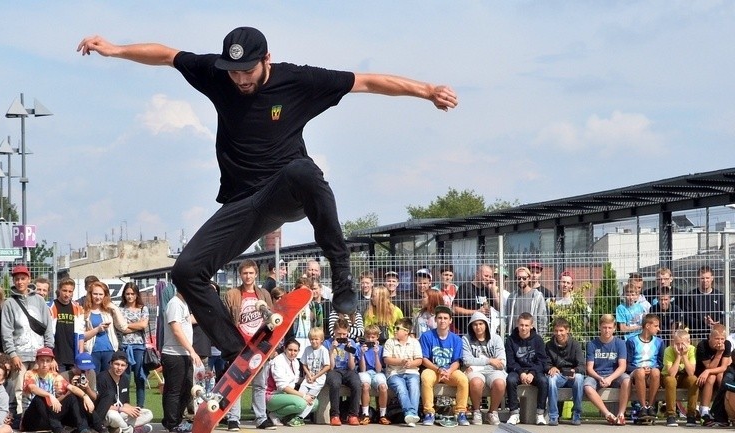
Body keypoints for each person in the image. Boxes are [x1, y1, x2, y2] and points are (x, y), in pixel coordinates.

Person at [79, 26, 458, 364]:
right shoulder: (217, 74)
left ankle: (341, 273)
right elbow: (166, 55)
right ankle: (235, 350)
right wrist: (115, 49)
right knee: (186, 271)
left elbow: (367, 82)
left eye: (248, 71)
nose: (241, 79)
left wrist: (426, 91)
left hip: (284, 193)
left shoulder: (299, 80)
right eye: (235, 72)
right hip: (241, 204)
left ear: (267, 60)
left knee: (303, 168)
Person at [223, 259, 274, 432]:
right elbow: (226, 320)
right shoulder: (232, 294)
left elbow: (272, 319)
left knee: (260, 384)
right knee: (237, 384)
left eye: (251, 273)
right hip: (240, 346)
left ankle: (261, 418)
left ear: (256, 274)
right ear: (240, 275)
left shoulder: (264, 294)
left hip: (260, 345)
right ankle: (233, 419)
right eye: (245, 273)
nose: (248, 276)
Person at [1, 264, 54, 418]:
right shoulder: (9, 303)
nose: (20, 282)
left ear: (28, 279)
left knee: (41, 387)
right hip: (20, 354)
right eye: (17, 279)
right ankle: (21, 419)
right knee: (19, 388)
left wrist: (49, 351)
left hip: (39, 353)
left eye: (23, 278)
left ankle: (43, 418)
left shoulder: (39, 300)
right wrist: (12, 354)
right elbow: (6, 331)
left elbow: (48, 326)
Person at [21, 347, 92, 433]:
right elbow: (32, 388)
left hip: (48, 419)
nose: (45, 364)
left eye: (47, 361)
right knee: (39, 398)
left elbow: (71, 387)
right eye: (42, 360)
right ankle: (60, 432)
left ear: (51, 362)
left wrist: (85, 396)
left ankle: (83, 429)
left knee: (71, 397)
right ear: (37, 361)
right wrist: (49, 395)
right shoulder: (30, 373)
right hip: (31, 419)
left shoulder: (54, 375)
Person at [419, 305, 469, 427]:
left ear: (450, 320)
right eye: (440, 318)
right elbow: (424, 359)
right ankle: (429, 413)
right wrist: (439, 369)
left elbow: (457, 361)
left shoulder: (456, 339)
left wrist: (448, 371)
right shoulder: (427, 336)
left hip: (450, 371)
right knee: (426, 378)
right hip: (433, 369)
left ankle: (461, 412)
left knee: (463, 380)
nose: (442, 320)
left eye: (445, 318)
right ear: (435, 320)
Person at [161, 290, 202, 433]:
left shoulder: (183, 304)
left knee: (186, 390)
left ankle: (172, 421)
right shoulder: (175, 304)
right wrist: (192, 351)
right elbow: (177, 330)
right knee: (175, 391)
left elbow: (187, 321)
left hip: (183, 353)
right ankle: (173, 423)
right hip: (174, 353)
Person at [584, 314, 631, 425]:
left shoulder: (620, 343)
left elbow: (622, 366)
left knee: (627, 380)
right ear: (600, 327)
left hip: (614, 375)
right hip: (597, 375)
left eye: (610, 328)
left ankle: (621, 414)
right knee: (587, 386)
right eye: (604, 327)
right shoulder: (592, 344)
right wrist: (599, 378)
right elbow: (589, 368)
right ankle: (608, 414)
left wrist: (610, 378)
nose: (607, 330)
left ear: (614, 328)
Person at [461, 311, 506, 426]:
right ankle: (476, 411)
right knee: (476, 382)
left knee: (500, 383)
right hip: (476, 372)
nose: (478, 327)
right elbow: (466, 360)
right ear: (471, 326)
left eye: (481, 324)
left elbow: (501, 363)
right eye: (475, 324)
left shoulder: (496, 339)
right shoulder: (466, 339)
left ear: (486, 324)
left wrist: (476, 364)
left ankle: (492, 412)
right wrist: (490, 360)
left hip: (493, 371)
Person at [93, 351, 154, 433]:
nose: (119, 368)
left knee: (148, 413)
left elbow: (125, 403)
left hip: (120, 413)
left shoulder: (124, 379)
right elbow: (100, 406)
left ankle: (116, 429)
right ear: (110, 364)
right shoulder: (102, 378)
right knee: (114, 416)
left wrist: (132, 409)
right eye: (117, 364)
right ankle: (130, 430)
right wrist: (121, 409)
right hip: (107, 414)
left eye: (123, 365)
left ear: (126, 366)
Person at [505, 313, 549, 425]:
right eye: (521, 325)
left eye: (526, 325)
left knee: (544, 381)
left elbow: (542, 361)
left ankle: (540, 414)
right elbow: (510, 362)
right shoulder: (510, 340)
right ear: (517, 325)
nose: (523, 328)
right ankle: (514, 413)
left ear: (531, 326)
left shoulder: (538, 340)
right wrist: (521, 373)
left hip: (534, 371)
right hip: (517, 370)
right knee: (510, 380)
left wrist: (532, 373)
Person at [265, 340, 317, 427]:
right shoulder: (278, 361)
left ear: (298, 351)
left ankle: (288, 418)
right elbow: (283, 387)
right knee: (302, 403)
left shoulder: (295, 362)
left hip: (287, 395)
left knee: (314, 403)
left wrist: (308, 378)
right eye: (290, 350)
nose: (292, 353)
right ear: (285, 349)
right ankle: (274, 415)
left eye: (295, 351)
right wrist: (303, 396)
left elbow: (295, 381)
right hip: (272, 395)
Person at [545, 317, 586, 426]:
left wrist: (574, 370)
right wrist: (551, 368)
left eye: (561, 330)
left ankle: (576, 414)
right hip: (559, 375)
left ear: (567, 330)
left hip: (572, 375)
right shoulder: (549, 345)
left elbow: (582, 366)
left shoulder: (575, 345)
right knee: (551, 379)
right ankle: (553, 416)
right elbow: (546, 364)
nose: (559, 334)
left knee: (579, 378)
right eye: (556, 331)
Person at [383, 318, 423, 426]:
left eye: (397, 328)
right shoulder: (390, 342)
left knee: (414, 387)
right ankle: (411, 413)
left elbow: (419, 360)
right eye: (393, 328)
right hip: (394, 373)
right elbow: (386, 359)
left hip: (412, 372)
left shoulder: (415, 343)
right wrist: (401, 361)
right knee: (401, 388)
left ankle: (411, 415)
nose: (394, 330)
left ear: (406, 331)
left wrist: (411, 364)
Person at [82, 280, 128, 374]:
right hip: (92, 351)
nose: (98, 297)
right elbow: (82, 336)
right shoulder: (85, 312)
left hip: (109, 350)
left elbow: (123, 327)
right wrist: (97, 329)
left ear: (105, 295)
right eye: (95, 294)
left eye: (100, 294)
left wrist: (114, 308)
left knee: (107, 382)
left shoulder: (110, 310)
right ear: (90, 294)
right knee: (93, 382)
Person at [626, 313, 664, 421]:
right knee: (640, 373)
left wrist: (652, 369)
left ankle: (651, 406)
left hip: (652, 373)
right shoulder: (632, 341)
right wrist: (640, 369)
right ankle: (642, 407)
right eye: (656, 326)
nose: (659, 329)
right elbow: (627, 364)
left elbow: (661, 364)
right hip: (636, 373)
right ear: (647, 326)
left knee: (656, 372)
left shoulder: (659, 342)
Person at [323, 318, 362, 425]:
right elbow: (331, 367)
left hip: (347, 370)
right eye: (339, 334)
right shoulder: (327, 343)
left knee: (356, 383)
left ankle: (353, 415)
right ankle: (335, 415)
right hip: (334, 370)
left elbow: (352, 367)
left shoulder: (352, 343)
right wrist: (331, 350)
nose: (342, 336)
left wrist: (349, 351)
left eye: (344, 334)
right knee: (335, 383)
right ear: (334, 332)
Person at [118, 282, 150, 408]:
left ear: (136, 295)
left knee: (139, 377)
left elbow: (143, 325)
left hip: (139, 347)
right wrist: (135, 325)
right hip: (124, 346)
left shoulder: (143, 308)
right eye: (127, 294)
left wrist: (127, 325)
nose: (130, 296)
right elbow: (120, 328)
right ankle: (125, 405)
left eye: (132, 294)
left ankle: (140, 406)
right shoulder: (119, 309)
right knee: (124, 378)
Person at [695, 324, 732, 426]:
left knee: (721, 376)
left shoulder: (727, 344)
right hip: (702, 375)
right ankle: (704, 412)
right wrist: (719, 353)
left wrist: (708, 371)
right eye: (716, 339)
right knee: (711, 377)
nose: (720, 342)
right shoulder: (702, 345)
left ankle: (722, 412)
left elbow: (724, 367)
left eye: (722, 339)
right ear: (710, 337)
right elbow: (709, 367)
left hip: (717, 373)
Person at [661, 328, 698, 427]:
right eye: (677, 343)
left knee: (693, 379)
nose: (680, 346)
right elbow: (671, 374)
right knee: (670, 380)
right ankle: (671, 415)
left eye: (682, 343)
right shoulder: (668, 350)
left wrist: (684, 356)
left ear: (688, 342)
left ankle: (691, 414)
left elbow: (691, 372)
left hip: (685, 376)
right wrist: (678, 357)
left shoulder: (692, 349)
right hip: (670, 377)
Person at [48, 277, 85, 373]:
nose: (67, 294)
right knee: (58, 386)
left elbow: (81, 334)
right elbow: (47, 334)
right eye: (64, 290)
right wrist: (50, 356)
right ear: (59, 290)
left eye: (70, 291)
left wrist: (80, 355)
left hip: (73, 356)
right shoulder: (50, 306)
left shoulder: (77, 308)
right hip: (57, 355)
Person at [294, 327, 330, 425]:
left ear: (321, 340)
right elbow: (304, 364)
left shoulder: (323, 350)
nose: (313, 341)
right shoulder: (307, 349)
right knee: (300, 396)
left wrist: (315, 377)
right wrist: (308, 374)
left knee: (310, 398)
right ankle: (294, 414)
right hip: (308, 378)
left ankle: (300, 416)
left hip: (318, 380)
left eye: (316, 339)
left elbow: (327, 366)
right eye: (311, 339)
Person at [453, 264, 502, 334]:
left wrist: (493, 289)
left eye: (490, 277)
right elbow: (455, 309)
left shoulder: (488, 290)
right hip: (468, 331)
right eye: (485, 276)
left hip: (486, 333)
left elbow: (500, 308)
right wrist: (476, 312)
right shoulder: (466, 287)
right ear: (477, 274)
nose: (488, 279)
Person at [684, 266, 725, 342]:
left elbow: (725, 315)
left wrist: (717, 323)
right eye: (702, 278)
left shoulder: (720, 296)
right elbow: (687, 317)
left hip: (716, 336)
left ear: (712, 278)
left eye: (707, 278)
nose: (705, 280)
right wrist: (703, 322)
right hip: (696, 336)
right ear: (697, 279)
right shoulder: (691, 296)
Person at [358, 325, 389, 424]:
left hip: (376, 372)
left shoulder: (381, 349)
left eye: (373, 337)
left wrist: (376, 354)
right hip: (365, 372)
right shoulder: (359, 348)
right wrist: (362, 354)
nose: (370, 339)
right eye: (368, 337)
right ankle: (365, 414)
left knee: (383, 386)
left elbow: (379, 370)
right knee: (365, 386)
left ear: (377, 337)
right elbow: (362, 369)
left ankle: (382, 415)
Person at [504, 267, 547, 336]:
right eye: (519, 278)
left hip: (532, 337)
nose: (521, 280)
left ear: (529, 278)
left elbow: (542, 319)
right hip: (515, 338)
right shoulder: (512, 297)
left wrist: (540, 338)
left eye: (524, 278)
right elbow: (507, 318)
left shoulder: (537, 296)